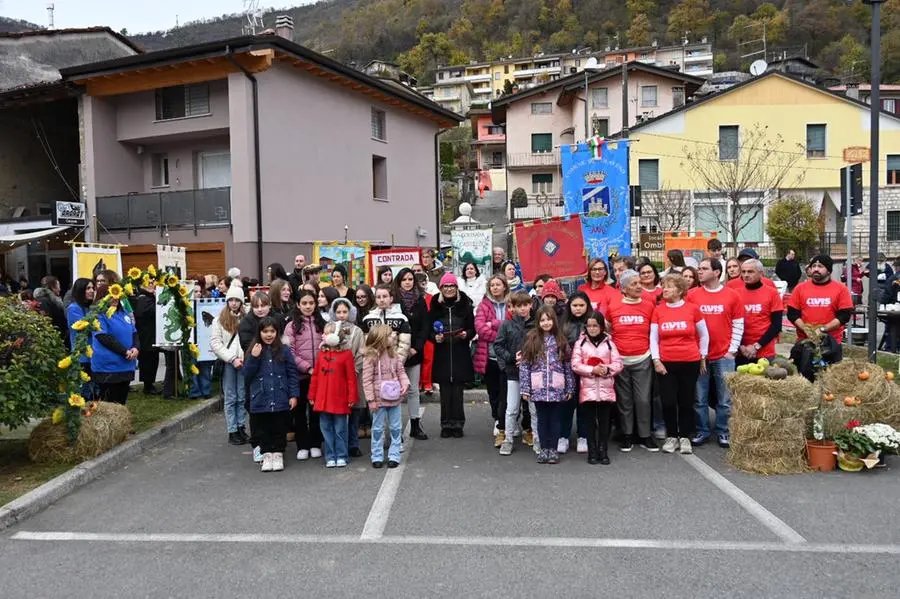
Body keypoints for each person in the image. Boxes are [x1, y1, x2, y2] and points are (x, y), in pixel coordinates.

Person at [688, 259, 744, 448]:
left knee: (725, 398)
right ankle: (702, 430)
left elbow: (738, 324)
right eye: (699, 268)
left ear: (717, 272)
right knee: (699, 397)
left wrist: (732, 350)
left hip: (723, 355)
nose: (699, 272)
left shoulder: (732, 296)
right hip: (700, 356)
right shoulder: (692, 295)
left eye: (704, 269)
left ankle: (723, 431)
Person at [651, 274, 709, 456]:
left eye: (668, 286)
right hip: (666, 362)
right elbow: (653, 337)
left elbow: (704, 334)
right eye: (663, 286)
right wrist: (656, 359)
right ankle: (671, 436)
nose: (664, 290)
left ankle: (684, 436)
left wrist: (703, 356)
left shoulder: (693, 309)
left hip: (689, 361)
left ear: (680, 290)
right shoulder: (658, 310)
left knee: (686, 400)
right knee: (668, 401)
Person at [606, 270, 658, 452]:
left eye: (639, 283)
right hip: (621, 360)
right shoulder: (613, 306)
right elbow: (607, 329)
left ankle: (644, 435)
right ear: (624, 288)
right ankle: (627, 435)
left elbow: (655, 331)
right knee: (624, 400)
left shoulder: (649, 304)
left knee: (643, 399)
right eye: (634, 284)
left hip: (642, 358)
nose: (639, 286)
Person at [519, 306, 575, 465]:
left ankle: (553, 449)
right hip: (539, 388)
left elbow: (567, 366)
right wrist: (525, 388)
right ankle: (544, 448)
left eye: (549, 319)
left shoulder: (561, 340)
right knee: (542, 420)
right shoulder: (532, 339)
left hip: (556, 388)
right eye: (542, 320)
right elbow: (524, 365)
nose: (546, 323)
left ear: (554, 321)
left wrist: (569, 387)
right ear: (538, 322)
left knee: (555, 420)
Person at [244, 316, 300, 473]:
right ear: (259, 332)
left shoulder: (284, 350)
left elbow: (292, 374)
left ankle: (278, 453)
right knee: (263, 427)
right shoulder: (254, 350)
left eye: (272, 331)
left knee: (279, 426)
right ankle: (266, 453)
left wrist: (293, 395)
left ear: (277, 332)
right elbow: (247, 375)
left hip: (280, 396)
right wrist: (254, 358)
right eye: (265, 331)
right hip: (260, 397)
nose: (269, 335)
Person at [572, 311, 624, 465]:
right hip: (587, 389)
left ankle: (603, 449)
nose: (592, 329)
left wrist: (606, 369)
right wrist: (591, 370)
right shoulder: (580, 343)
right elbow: (575, 364)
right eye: (589, 326)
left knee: (604, 422)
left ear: (602, 327)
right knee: (589, 422)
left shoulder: (609, 343)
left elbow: (618, 363)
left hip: (606, 389)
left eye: (595, 326)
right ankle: (592, 450)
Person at [428, 273, 476, 438]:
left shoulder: (465, 304)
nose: (449, 289)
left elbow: (472, 328)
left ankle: (458, 424)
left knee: (458, 390)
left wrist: (466, 335)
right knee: (445, 391)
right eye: (445, 286)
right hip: (442, 353)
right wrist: (435, 338)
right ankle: (445, 424)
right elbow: (429, 330)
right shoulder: (435, 304)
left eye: (451, 286)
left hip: (460, 351)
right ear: (441, 288)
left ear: (456, 288)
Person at [309, 320, 358, 467]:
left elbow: (351, 378)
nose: (324, 336)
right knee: (326, 428)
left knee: (340, 429)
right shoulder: (322, 354)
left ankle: (342, 454)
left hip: (339, 398)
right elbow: (316, 375)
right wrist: (312, 395)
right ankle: (330, 455)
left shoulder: (346, 354)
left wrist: (352, 396)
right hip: (323, 399)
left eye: (328, 333)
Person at [788, 254, 854, 364]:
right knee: (804, 377)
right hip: (804, 341)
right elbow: (793, 314)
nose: (816, 269)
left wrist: (822, 330)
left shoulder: (841, 289)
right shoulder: (800, 288)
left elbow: (844, 316)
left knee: (829, 377)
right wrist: (806, 330)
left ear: (829, 271)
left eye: (820, 266)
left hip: (830, 343)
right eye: (813, 266)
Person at [284, 289, 325, 461]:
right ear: (298, 305)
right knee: (299, 411)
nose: (308, 306)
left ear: (316, 304)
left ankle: (316, 443)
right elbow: (289, 351)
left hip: (320, 376)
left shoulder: (322, 323)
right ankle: (302, 444)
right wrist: (307, 368)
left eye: (311, 303)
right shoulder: (291, 325)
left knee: (317, 410)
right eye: (304, 303)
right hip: (300, 376)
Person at [362, 324, 411, 469]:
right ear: (381, 338)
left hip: (394, 398)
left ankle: (394, 455)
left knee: (396, 427)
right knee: (377, 429)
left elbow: (401, 371)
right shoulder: (370, 357)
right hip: (378, 400)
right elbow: (367, 380)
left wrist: (405, 383)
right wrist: (371, 400)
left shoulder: (393, 355)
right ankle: (376, 455)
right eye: (389, 335)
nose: (393, 337)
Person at [495, 291, 536, 455]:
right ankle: (508, 439)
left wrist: (533, 358)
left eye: (526, 305)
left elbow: (543, 345)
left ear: (531, 305)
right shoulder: (507, 325)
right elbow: (498, 346)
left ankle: (536, 438)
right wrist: (511, 358)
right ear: (514, 308)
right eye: (519, 306)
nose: (523, 309)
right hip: (513, 372)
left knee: (533, 409)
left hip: (533, 373)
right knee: (511, 408)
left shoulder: (536, 325)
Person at [392, 269, 430, 441]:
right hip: (395, 354)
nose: (408, 282)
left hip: (414, 352)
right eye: (404, 279)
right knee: (396, 392)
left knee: (413, 390)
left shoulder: (420, 300)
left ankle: (415, 424)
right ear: (398, 281)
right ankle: (396, 429)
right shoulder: (393, 300)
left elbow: (424, 326)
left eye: (410, 279)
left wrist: (416, 347)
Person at [211, 283, 249, 445]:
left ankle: (241, 426)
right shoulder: (219, 320)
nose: (233, 303)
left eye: (237, 300)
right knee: (231, 397)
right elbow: (216, 343)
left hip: (244, 362)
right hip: (229, 363)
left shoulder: (247, 319)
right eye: (231, 300)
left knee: (242, 396)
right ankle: (232, 430)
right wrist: (232, 359)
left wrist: (244, 358)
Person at [328, 297, 366, 456]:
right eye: (338, 312)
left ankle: (353, 443)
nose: (342, 315)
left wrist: (353, 371)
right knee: (338, 413)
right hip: (335, 377)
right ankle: (338, 444)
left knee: (354, 412)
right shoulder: (329, 329)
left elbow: (360, 354)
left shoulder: (357, 331)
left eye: (345, 311)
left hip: (353, 376)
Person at [474, 275, 510, 445]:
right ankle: (497, 418)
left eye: (498, 284)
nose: (495, 288)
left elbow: (513, 327)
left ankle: (508, 421)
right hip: (489, 356)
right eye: (492, 285)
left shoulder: (512, 303)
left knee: (508, 391)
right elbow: (481, 329)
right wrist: (501, 334)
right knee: (494, 391)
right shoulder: (483, 306)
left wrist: (493, 324)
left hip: (508, 356)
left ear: (504, 287)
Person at [91, 284, 139, 405]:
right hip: (108, 367)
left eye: (117, 296)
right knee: (108, 403)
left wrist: (136, 347)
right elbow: (103, 337)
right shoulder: (98, 315)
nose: (115, 299)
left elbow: (134, 332)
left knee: (120, 401)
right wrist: (124, 351)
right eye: (112, 296)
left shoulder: (123, 314)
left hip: (126, 365)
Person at [239, 292, 273, 462]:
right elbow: (246, 344)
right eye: (256, 306)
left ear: (269, 305)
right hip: (255, 368)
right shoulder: (246, 322)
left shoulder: (276, 318)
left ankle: (273, 444)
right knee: (256, 408)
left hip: (274, 367)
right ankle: (257, 445)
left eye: (263, 305)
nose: (260, 309)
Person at [734, 259, 784, 366]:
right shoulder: (735, 294)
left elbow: (776, 325)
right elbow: (730, 324)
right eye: (743, 272)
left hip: (764, 351)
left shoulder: (772, 293)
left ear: (761, 273)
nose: (746, 275)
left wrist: (756, 346)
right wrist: (741, 346)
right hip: (741, 351)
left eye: (750, 272)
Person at [561, 291, 591, 454]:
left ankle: (583, 436)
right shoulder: (564, 324)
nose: (578, 309)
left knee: (584, 404)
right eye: (575, 305)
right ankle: (563, 436)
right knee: (567, 403)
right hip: (568, 369)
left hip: (587, 370)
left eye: (581, 305)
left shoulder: (592, 323)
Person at [66, 278, 97, 400]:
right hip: (82, 356)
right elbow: (85, 327)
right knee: (85, 390)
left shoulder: (89, 308)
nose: (91, 291)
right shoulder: (73, 308)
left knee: (94, 389)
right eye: (88, 288)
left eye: (92, 288)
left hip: (92, 354)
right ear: (80, 290)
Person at [131, 278, 160, 395]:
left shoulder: (147, 297)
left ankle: (149, 384)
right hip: (146, 336)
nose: (152, 285)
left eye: (153, 283)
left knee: (152, 360)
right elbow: (148, 312)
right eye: (149, 283)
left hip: (150, 335)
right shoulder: (143, 298)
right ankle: (148, 385)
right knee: (148, 361)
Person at [35, 275, 69, 348]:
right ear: (53, 287)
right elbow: (46, 321)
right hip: (53, 341)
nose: (60, 289)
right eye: (58, 286)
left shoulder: (53, 300)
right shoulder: (44, 301)